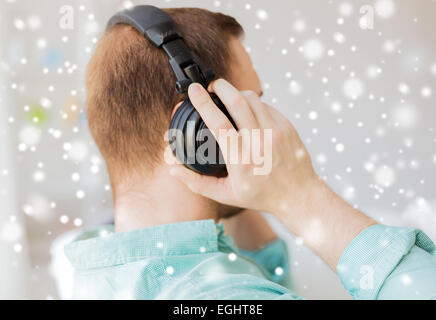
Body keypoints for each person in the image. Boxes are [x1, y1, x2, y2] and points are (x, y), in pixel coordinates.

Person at [65, 7, 436, 300]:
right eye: (252, 103)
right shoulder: (222, 296)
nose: (266, 126)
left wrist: (242, 177)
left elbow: (267, 275)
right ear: (196, 125)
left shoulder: (99, 264)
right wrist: (302, 197)